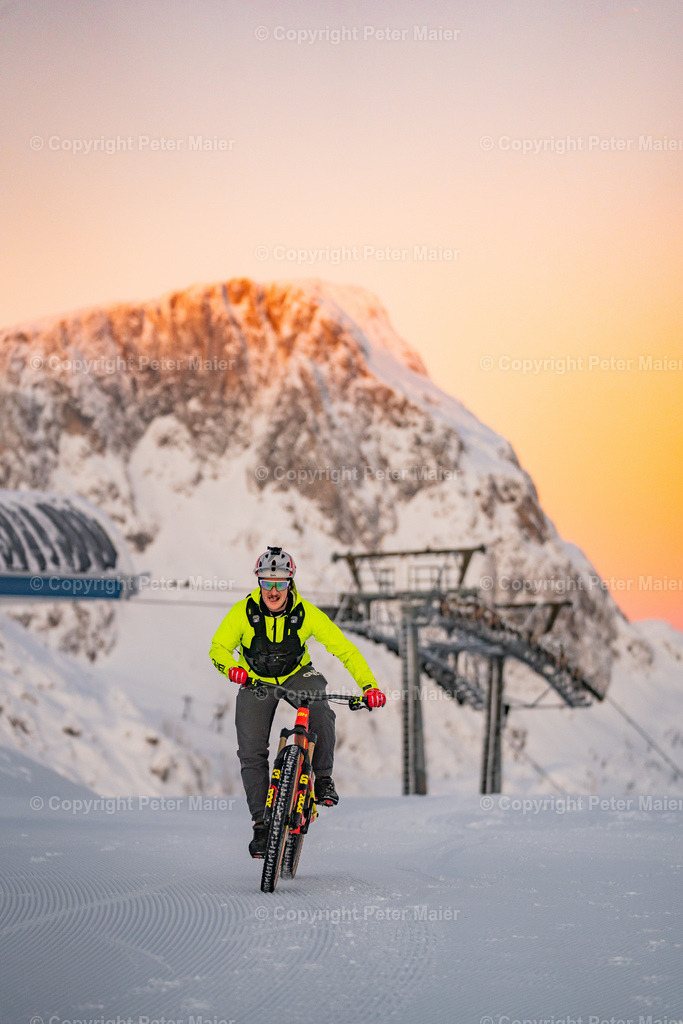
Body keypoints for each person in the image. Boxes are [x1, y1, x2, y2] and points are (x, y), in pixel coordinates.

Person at [209, 545, 386, 857]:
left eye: (280, 583)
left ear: (290, 582)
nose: (273, 590)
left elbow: (344, 649)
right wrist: (232, 670)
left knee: (321, 708)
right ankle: (262, 825)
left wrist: (368, 686)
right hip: (255, 680)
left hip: (298, 675)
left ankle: (324, 781)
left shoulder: (306, 614)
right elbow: (218, 649)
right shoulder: (242, 612)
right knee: (251, 752)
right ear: (259, 583)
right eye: (267, 582)